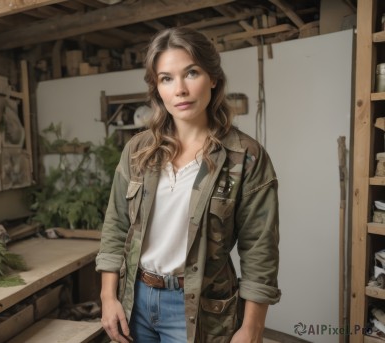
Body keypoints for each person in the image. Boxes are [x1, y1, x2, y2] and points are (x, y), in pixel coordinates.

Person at [96, 27, 280, 343]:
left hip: (198, 308)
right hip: (135, 301)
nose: (180, 89)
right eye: (166, 78)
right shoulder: (138, 151)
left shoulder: (245, 156)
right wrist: (108, 297)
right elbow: (115, 226)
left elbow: (259, 248)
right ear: (157, 89)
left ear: (213, 78)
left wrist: (252, 327)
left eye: (191, 73)